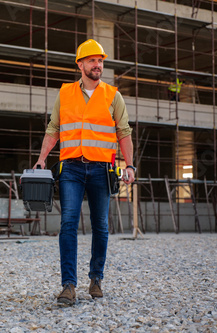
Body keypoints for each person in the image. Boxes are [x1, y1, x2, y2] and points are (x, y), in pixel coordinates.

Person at [34, 39, 136, 305]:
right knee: (68, 223)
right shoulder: (65, 93)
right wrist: (42, 159)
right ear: (80, 64)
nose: (97, 65)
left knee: (100, 226)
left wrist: (130, 164)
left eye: (100, 61)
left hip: (102, 170)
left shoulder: (113, 95)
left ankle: (96, 278)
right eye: (92, 60)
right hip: (71, 168)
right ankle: (68, 285)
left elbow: (124, 133)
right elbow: (53, 128)